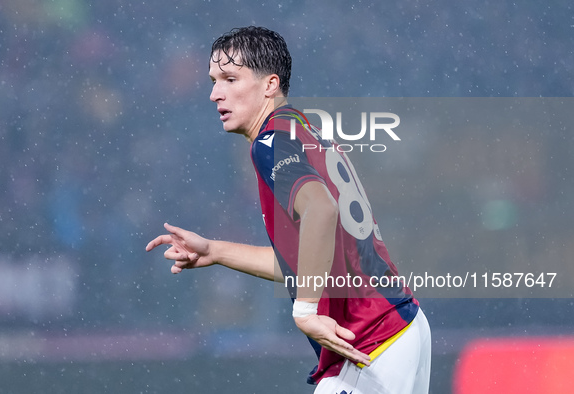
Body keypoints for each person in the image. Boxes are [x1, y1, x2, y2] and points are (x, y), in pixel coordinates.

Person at [146, 26, 431, 394]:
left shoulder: (270, 142)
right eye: (214, 80)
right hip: (398, 329)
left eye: (231, 79)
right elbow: (312, 261)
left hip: (369, 341)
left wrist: (305, 312)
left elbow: (321, 211)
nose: (215, 93)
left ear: (269, 84)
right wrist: (215, 251)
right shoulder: (303, 130)